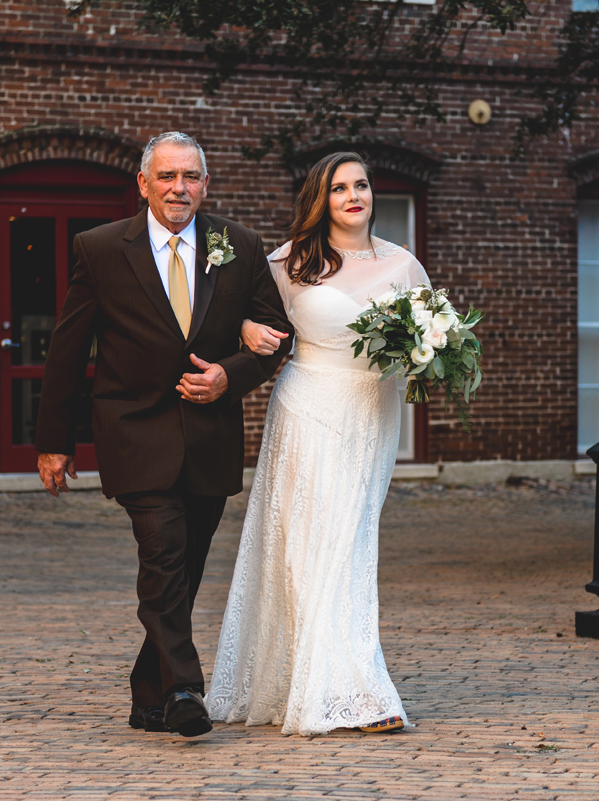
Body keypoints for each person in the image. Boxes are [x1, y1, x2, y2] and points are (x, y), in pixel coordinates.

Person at [34, 131, 293, 738]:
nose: (181, 188)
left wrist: (230, 376)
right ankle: (182, 690)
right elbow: (67, 351)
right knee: (163, 555)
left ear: (206, 184)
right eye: (168, 177)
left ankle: (147, 694)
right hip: (134, 431)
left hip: (209, 435)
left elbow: (278, 334)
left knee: (185, 568)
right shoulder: (99, 249)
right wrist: (55, 440)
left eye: (192, 177)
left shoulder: (239, 245)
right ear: (144, 184)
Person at [207, 152, 428, 736]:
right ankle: (352, 692)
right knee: (316, 547)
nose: (353, 196)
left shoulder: (404, 265)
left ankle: (321, 677)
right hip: (308, 409)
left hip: (373, 414)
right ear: (320, 199)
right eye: (339, 188)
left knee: (352, 542)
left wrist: (436, 359)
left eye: (361, 185)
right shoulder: (287, 262)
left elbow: (429, 345)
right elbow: (227, 317)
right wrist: (245, 330)